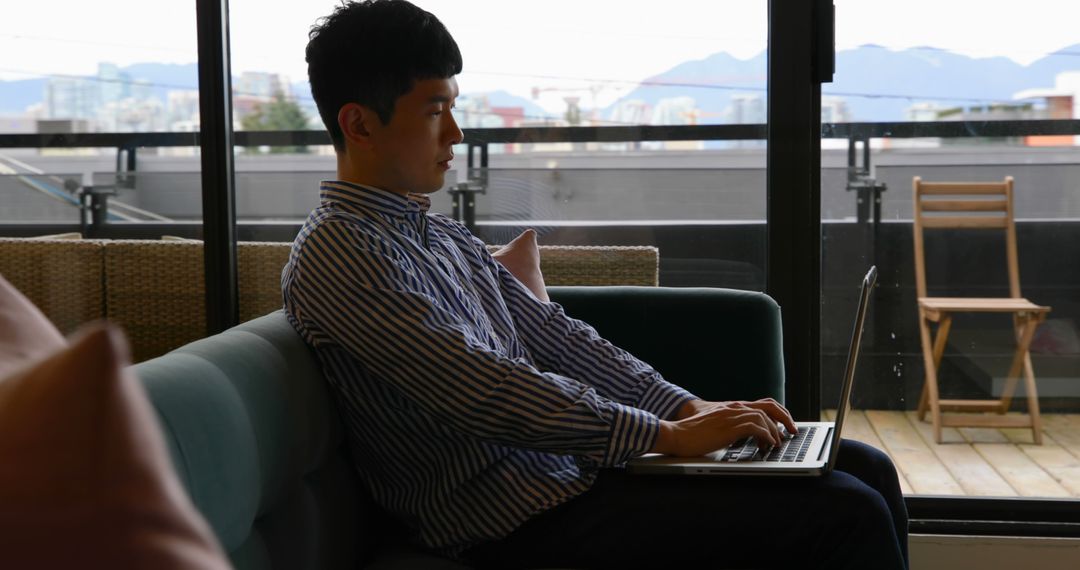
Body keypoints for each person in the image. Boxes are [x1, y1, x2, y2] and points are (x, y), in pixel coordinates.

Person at [283, 1, 909, 568]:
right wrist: (664, 437)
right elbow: (483, 388)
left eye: (454, 108)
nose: (456, 135)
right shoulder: (340, 253)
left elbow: (555, 335)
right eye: (435, 111)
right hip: (512, 523)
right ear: (359, 125)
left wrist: (686, 407)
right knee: (846, 513)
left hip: (573, 477)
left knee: (867, 467)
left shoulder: (436, 235)